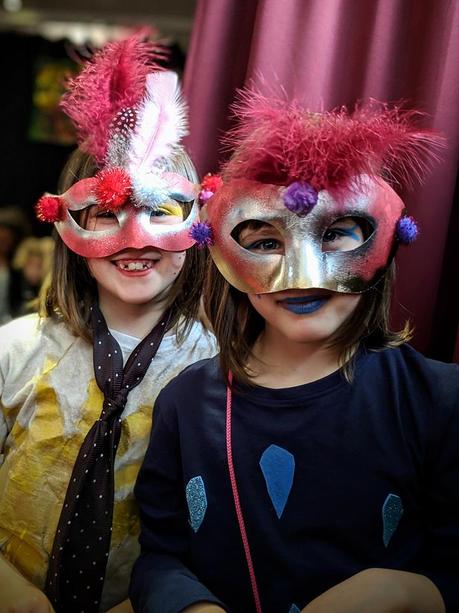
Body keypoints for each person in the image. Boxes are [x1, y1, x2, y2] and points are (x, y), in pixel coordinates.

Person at [130, 95, 459, 613]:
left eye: (336, 235)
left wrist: (401, 591)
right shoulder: (187, 403)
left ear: (387, 242)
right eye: (263, 242)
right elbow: (160, 557)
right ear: (221, 250)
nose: (300, 273)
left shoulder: (438, 401)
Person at [0, 33, 216, 613]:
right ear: (70, 229)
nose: (135, 238)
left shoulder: (218, 371)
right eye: (106, 214)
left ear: (197, 224)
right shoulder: (15, 349)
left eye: (161, 211)